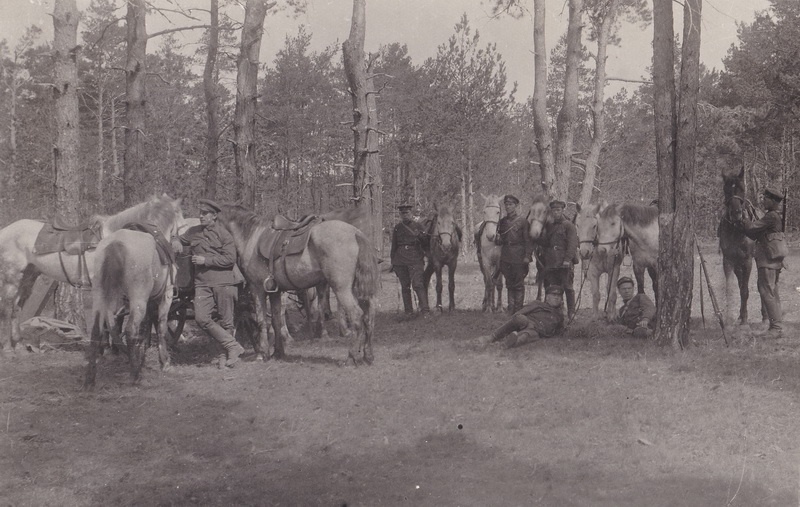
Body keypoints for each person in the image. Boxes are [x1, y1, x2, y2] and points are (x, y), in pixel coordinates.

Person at [173, 198, 244, 367]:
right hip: (202, 284)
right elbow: (179, 240)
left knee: (226, 322)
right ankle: (233, 346)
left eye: (205, 214)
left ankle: (225, 356)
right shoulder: (193, 232)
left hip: (223, 282)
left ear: (214, 216)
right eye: (200, 213)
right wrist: (175, 240)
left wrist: (206, 260)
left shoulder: (224, 234)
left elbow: (230, 259)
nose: (201, 216)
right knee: (201, 318)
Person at [737, 187, 786, 338]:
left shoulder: (771, 216)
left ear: (773, 201)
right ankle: (776, 326)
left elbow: (752, 228)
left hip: (768, 261)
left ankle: (776, 328)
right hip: (772, 260)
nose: (763, 200)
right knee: (772, 291)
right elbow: (754, 233)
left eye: (766, 198)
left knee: (766, 291)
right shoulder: (773, 216)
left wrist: (744, 218)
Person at [477, 285, 565, 348]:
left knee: (525, 336)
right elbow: (518, 314)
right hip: (527, 322)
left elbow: (559, 330)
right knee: (520, 319)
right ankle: (492, 337)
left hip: (536, 331)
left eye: (559, 296)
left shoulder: (559, 315)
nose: (556, 298)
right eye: (554, 295)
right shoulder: (537, 304)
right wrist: (519, 322)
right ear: (547, 297)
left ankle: (504, 344)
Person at [540, 199, 579, 319]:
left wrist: (567, 260)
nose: (556, 213)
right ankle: (552, 312)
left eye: (558, 210)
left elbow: (572, 245)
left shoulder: (568, 225)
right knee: (551, 288)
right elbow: (544, 243)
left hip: (564, 263)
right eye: (553, 210)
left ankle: (571, 312)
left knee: (568, 287)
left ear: (562, 210)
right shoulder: (548, 226)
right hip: (551, 262)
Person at [495, 194, 533, 314]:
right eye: (506, 204)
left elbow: (528, 241)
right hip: (506, 256)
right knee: (509, 283)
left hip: (519, 256)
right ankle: (511, 308)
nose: (508, 207)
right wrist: (497, 239)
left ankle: (518, 309)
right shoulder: (502, 222)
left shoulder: (523, 222)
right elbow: (500, 240)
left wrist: (527, 256)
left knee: (519, 284)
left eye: (510, 204)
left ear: (516, 206)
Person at [390, 203, 430, 316]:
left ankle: (425, 310)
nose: (405, 215)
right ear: (400, 214)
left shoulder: (418, 226)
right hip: (400, 260)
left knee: (418, 284)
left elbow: (426, 243)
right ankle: (408, 312)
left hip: (415, 258)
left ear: (411, 213)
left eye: (407, 213)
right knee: (405, 286)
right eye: (402, 213)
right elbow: (394, 246)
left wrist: (420, 236)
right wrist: (393, 262)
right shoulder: (397, 228)